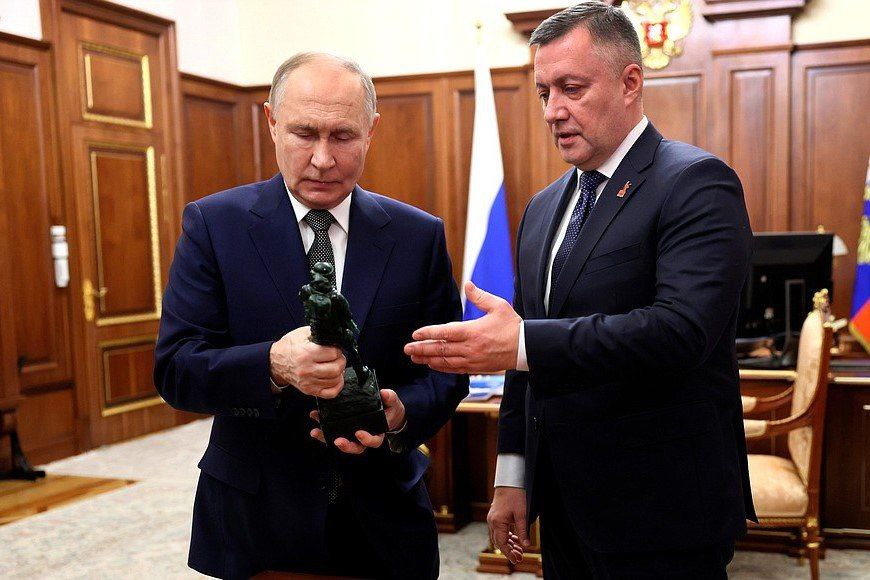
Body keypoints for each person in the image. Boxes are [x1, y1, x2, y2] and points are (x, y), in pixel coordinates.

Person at [404, 2, 756, 578]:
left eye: (571, 88)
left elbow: (680, 332)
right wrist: (513, 475)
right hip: (565, 505)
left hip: (664, 509)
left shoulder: (696, 183)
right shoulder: (543, 208)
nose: (553, 111)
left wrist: (522, 344)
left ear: (630, 82)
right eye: (544, 92)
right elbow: (523, 355)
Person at [155, 52, 468, 579]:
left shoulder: (418, 235)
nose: (323, 159)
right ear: (272, 122)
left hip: (386, 523)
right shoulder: (214, 225)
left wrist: (400, 414)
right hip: (257, 524)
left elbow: (445, 372)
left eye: (343, 136)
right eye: (304, 133)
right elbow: (177, 370)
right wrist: (272, 366)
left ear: (371, 131)